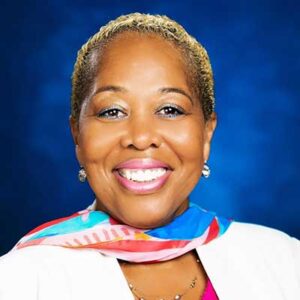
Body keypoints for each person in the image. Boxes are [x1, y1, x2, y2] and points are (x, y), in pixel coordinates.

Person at [0, 13, 299, 300]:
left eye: (170, 110)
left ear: (206, 134)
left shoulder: (285, 263)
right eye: (112, 111)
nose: (141, 138)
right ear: (77, 136)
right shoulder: (19, 280)